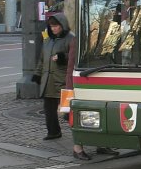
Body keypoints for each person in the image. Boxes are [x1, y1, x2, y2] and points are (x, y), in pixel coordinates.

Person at [64, 23, 118, 160]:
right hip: (84, 82)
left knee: (101, 115)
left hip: (101, 81)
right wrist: (70, 88)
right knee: (79, 117)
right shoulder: (78, 41)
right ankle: (77, 148)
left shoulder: (105, 38)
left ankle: (102, 145)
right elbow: (71, 67)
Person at [34, 14, 74, 142]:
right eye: (51, 26)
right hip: (48, 81)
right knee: (49, 109)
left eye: (55, 26)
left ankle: (78, 135)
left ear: (62, 25)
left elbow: (75, 57)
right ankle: (53, 131)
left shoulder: (71, 39)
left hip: (63, 81)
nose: (53, 29)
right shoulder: (48, 41)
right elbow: (42, 60)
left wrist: (63, 57)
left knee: (68, 110)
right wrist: (38, 74)